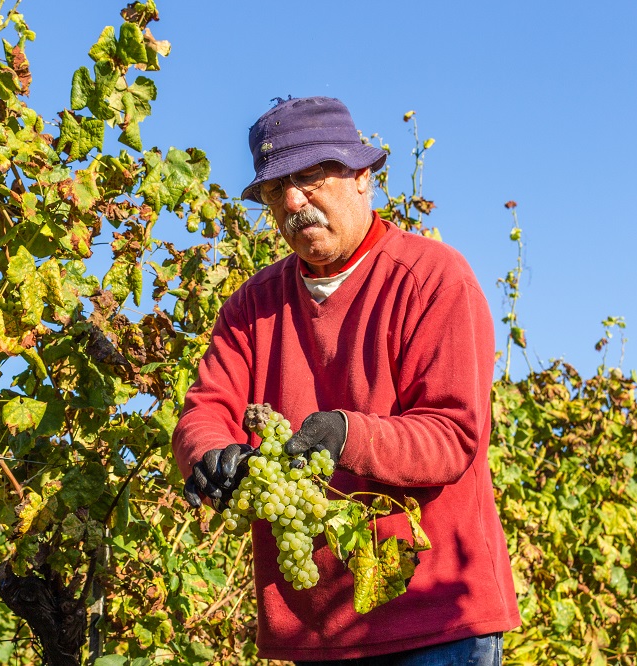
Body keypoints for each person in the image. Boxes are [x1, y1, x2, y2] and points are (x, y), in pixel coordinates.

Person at [171, 97, 520, 665]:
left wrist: (346, 434)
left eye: (310, 177)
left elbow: (452, 435)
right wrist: (208, 454)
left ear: (362, 177)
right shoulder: (251, 307)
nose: (291, 201)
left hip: (434, 622)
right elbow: (204, 412)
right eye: (274, 188)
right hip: (313, 634)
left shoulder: (433, 279)